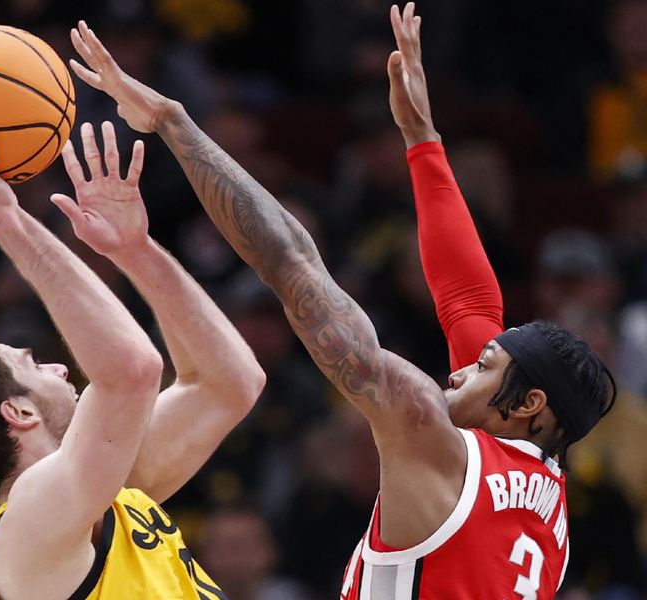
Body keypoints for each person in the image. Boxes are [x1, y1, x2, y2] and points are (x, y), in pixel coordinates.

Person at [68, 3, 616, 597]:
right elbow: (467, 299)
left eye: (483, 367)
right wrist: (423, 143)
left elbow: (292, 263)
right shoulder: (551, 498)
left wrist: (176, 124)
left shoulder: (429, 430)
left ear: (529, 403)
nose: (458, 370)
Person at [0, 111, 265, 599]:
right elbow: (132, 370)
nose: (57, 366)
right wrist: (2, 216)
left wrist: (136, 250)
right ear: (18, 411)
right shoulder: (28, 521)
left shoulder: (108, 492)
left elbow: (228, 384)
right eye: (32, 365)